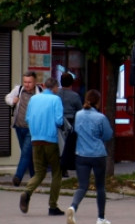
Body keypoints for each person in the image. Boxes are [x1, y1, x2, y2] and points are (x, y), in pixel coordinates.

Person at [66, 89, 114, 224]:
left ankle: (73, 207)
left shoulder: (78, 115)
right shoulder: (100, 117)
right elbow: (107, 135)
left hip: (81, 154)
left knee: (82, 186)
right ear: (98, 102)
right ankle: (101, 218)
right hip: (98, 155)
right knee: (100, 187)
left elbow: (75, 131)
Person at [19, 77, 65, 216]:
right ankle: (52, 206)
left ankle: (27, 192)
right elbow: (59, 120)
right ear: (55, 87)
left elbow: (27, 118)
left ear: (44, 86)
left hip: (35, 139)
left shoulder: (34, 99)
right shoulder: (56, 100)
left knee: (39, 172)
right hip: (50, 140)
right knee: (57, 172)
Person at [5, 71, 43, 187]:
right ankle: (34, 177)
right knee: (27, 153)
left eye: (29, 82)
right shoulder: (19, 89)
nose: (27, 84)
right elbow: (8, 97)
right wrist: (12, 101)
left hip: (32, 128)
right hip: (19, 126)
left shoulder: (40, 93)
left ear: (35, 82)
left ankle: (18, 177)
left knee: (26, 152)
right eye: (25, 82)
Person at [57, 73, 82, 177]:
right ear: (72, 83)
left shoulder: (56, 94)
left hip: (58, 122)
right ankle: (65, 167)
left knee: (59, 145)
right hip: (70, 122)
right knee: (68, 146)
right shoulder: (75, 96)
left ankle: (58, 167)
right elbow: (80, 110)